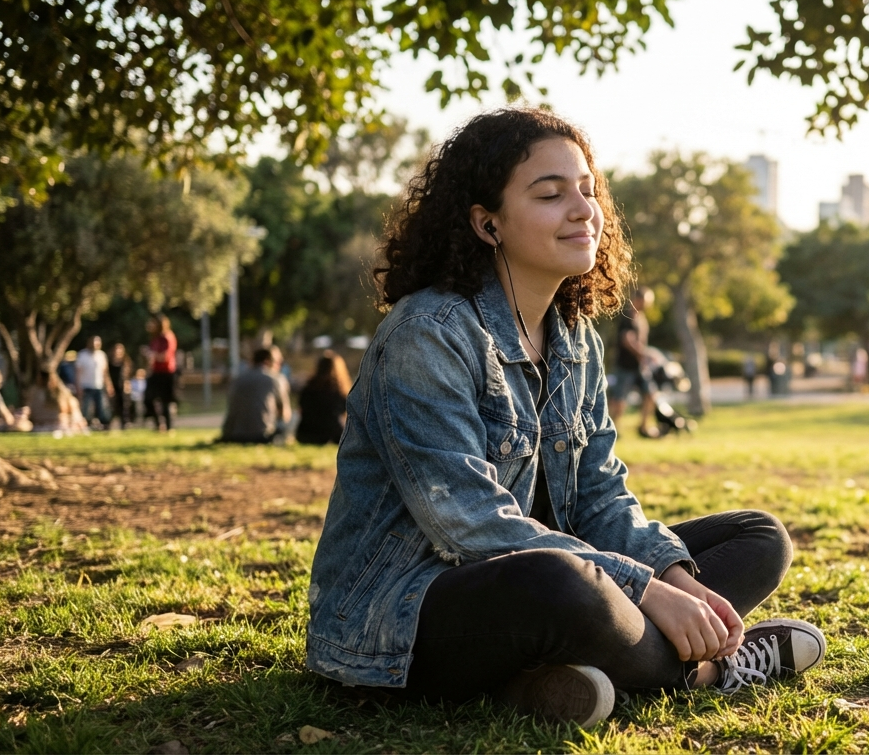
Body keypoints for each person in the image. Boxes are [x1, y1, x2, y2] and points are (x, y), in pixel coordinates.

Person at [306, 108, 824, 729]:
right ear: (487, 223)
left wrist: (672, 574)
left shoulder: (574, 337)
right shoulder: (428, 334)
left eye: (587, 189)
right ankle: (709, 670)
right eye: (551, 194)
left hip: (557, 581)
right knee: (563, 582)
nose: (583, 209)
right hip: (408, 614)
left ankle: (543, 683)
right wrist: (643, 590)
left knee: (758, 538)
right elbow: (470, 526)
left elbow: (603, 498)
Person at [608, 288, 660, 438]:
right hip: (625, 366)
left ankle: (643, 427)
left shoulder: (641, 318)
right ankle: (613, 430)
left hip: (640, 367)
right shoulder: (627, 317)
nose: (647, 305)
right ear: (637, 300)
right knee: (619, 399)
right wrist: (644, 354)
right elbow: (627, 340)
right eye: (645, 301)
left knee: (650, 394)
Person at [219, 346, 292, 444]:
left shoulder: (238, 379)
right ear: (268, 361)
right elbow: (284, 413)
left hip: (231, 435)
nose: (279, 367)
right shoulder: (276, 379)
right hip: (261, 435)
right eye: (278, 363)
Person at [296, 350, 352, 445]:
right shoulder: (340, 391)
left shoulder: (308, 388)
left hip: (306, 434)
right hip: (334, 434)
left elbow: (301, 409)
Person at [145, 315, 179, 432]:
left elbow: (165, 357)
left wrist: (151, 354)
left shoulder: (167, 337)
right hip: (155, 372)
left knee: (166, 401)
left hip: (167, 373)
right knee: (148, 398)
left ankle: (169, 428)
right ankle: (159, 425)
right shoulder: (154, 339)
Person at [75, 336, 114, 430]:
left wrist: (109, 385)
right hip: (86, 386)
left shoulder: (102, 355)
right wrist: (78, 386)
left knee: (102, 407)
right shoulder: (82, 355)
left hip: (99, 385)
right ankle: (85, 425)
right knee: (86, 408)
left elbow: (105, 372)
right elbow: (78, 372)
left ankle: (105, 425)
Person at [109, 343, 132, 430]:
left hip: (122, 385)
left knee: (124, 405)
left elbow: (127, 374)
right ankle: (109, 424)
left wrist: (127, 384)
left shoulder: (125, 362)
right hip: (113, 385)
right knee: (113, 405)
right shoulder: (110, 362)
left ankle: (125, 423)